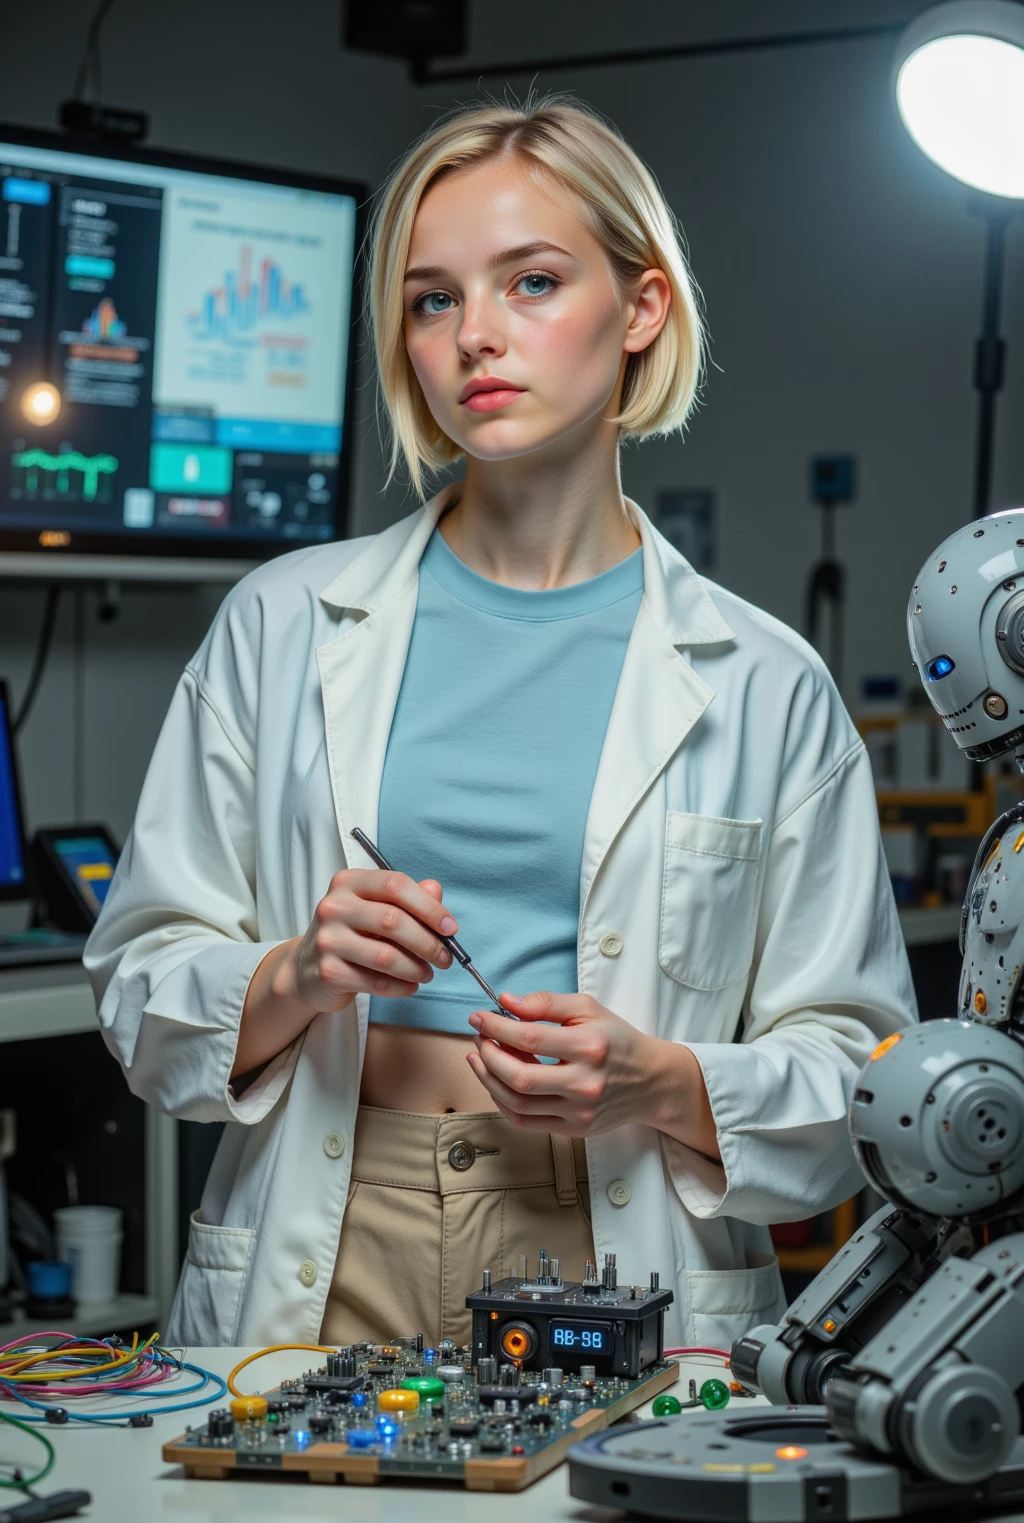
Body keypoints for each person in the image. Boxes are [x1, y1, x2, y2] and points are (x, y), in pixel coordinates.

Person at [84, 96, 916, 1351]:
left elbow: (861, 1076)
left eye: (531, 281)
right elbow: (139, 985)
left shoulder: (763, 681)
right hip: (326, 1236)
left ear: (640, 308)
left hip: (615, 1245)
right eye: (432, 299)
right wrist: (296, 975)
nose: (475, 334)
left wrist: (662, 1079)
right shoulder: (282, 622)